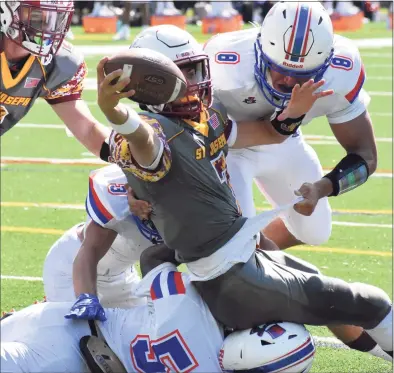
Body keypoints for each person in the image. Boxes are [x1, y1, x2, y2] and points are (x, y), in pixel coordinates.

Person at [97, 24, 392, 362]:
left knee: (318, 283)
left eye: (194, 70)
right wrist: (115, 114)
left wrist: (293, 113)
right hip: (232, 277)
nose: (193, 83)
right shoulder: (153, 133)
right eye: (181, 76)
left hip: (234, 258)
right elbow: (142, 139)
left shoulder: (203, 121)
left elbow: (267, 132)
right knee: (370, 303)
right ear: (152, 88)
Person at [203, 1, 377, 251]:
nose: (288, 81)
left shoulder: (341, 72)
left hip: (286, 143)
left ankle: (255, 256)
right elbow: (197, 132)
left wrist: (322, 187)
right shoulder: (224, 63)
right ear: (261, 50)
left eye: (302, 75)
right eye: (279, 69)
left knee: (315, 232)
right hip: (228, 147)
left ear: (325, 64)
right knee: (235, 238)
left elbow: (366, 156)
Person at [1, 247, 316, 373]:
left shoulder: (191, 308)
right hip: (70, 352)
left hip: (66, 330)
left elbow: (152, 258)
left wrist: (205, 245)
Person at [43, 164, 162, 315]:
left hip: (121, 277)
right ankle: (23, 319)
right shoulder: (116, 199)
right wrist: (87, 298)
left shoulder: (189, 204)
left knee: (143, 331)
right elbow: (90, 251)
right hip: (73, 266)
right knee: (82, 333)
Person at [0, 0, 110, 159]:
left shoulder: (58, 64)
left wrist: (130, 154)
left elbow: (87, 130)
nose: (46, 27)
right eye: (36, 16)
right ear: (7, 10)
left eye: (55, 18)